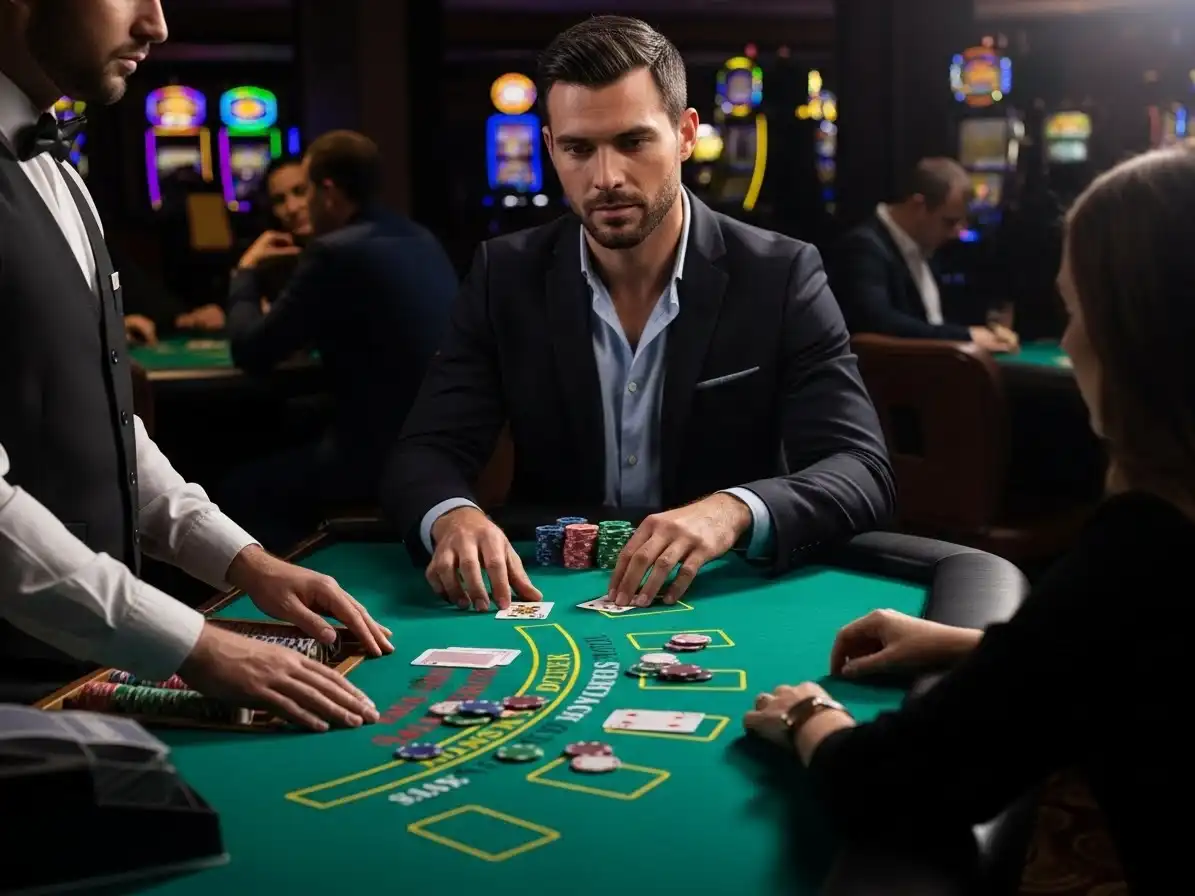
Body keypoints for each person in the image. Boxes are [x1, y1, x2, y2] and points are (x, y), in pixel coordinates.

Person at [742, 147, 1194, 894]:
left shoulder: (1143, 550)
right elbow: (1144, 653)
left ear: (1136, 338)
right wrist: (973, 644)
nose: (1071, 337)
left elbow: (891, 782)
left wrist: (805, 714)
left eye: (1077, 310)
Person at [383, 16, 895, 613]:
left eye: (633, 142)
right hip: (553, 595)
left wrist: (729, 510)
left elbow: (862, 470)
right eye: (578, 148)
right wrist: (454, 517)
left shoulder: (780, 274)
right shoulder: (505, 274)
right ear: (550, 148)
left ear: (684, 134)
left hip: (722, 594)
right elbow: (424, 454)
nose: (606, 179)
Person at [0, 0, 392, 731]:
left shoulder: (65, 177)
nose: (157, 25)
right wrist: (193, 642)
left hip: (80, 671)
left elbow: (108, 426)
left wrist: (246, 562)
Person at [221, 130, 458, 551]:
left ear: (327, 191)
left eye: (305, 189)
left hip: (381, 457)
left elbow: (251, 351)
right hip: (442, 447)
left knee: (233, 491)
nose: (301, 204)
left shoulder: (334, 251)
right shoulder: (419, 237)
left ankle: (289, 597)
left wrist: (245, 271)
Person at [831, 157, 1019, 352]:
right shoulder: (863, 247)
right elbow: (877, 321)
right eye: (949, 222)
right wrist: (966, 336)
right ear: (919, 206)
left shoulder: (923, 245)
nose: (957, 232)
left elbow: (932, 320)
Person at [237, 154, 313, 312]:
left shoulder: (353, 251)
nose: (291, 208)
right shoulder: (274, 265)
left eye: (300, 191)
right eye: (279, 200)